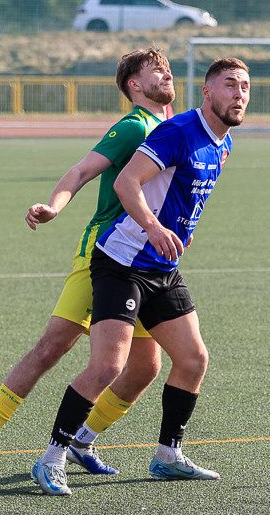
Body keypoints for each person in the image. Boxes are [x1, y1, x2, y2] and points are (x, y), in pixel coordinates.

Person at [0, 48, 176, 486]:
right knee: (52, 349)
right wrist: (53, 206)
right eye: (155, 70)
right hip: (106, 254)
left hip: (147, 261)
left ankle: (81, 442)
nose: (166, 74)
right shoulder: (135, 126)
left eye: (167, 69)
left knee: (146, 367)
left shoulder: (173, 128)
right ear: (134, 85)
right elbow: (82, 170)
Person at [30, 57, 251, 496]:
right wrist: (153, 227)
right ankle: (51, 457)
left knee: (193, 360)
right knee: (108, 365)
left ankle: (168, 456)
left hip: (162, 270)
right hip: (122, 262)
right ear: (207, 92)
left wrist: (168, 235)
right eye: (229, 85)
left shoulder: (223, 144)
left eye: (245, 87)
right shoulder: (177, 131)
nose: (239, 94)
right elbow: (125, 183)